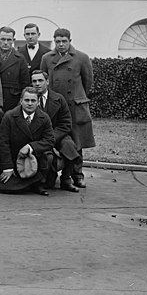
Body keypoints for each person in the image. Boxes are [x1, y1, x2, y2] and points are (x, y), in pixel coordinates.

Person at [40, 28, 95, 188]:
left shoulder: (81, 57)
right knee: (56, 139)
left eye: (64, 41)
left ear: (70, 41)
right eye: (58, 41)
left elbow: (87, 82)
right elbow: (43, 80)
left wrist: (77, 97)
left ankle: (77, 175)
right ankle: (54, 175)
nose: (61, 44)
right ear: (54, 41)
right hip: (55, 106)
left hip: (75, 106)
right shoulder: (47, 58)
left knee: (76, 143)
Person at [0, 87, 55, 196]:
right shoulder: (9, 116)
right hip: (15, 159)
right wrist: (7, 168)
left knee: (49, 157)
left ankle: (38, 183)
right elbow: (3, 142)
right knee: (6, 187)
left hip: (35, 159)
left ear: (38, 102)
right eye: (27, 100)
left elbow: (49, 140)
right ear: (21, 101)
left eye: (33, 101)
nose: (30, 104)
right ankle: (27, 184)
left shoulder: (44, 118)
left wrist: (30, 147)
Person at [30, 70, 79, 193]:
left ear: (47, 81)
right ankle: (41, 180)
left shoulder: (59, 99)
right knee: (44, 154)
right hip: (36, 137)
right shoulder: (28, 99)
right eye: (34, 81)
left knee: (69, 145)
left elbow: (66, 124)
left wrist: (52, 138)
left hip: (57, 135)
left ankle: (66, 179)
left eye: (40, 80)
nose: (37, 84)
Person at [0, 26, 30, 112]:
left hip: (13, 100)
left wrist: (21, 102)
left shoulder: (20, 58)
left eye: (9, 40)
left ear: (13, 40)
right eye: (3, 39)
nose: (5, 42)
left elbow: (25, 83)